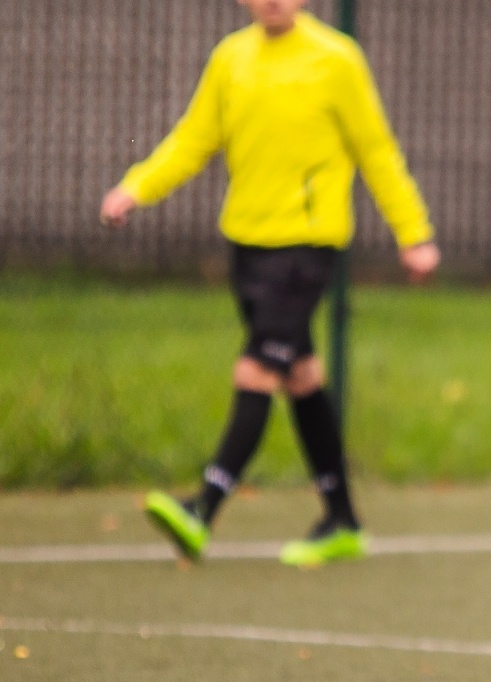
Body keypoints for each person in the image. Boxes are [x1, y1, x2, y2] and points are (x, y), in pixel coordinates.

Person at [99, 0, 439, 567]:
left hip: (307, 247)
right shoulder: (230, 58)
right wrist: (136, 187)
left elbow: (375, 149)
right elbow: (193, 139)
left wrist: (414, 232)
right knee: (300, 376)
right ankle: (342, 519)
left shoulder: (337, 59)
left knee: (257, 367)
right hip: (247, 245)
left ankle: (203, 507)